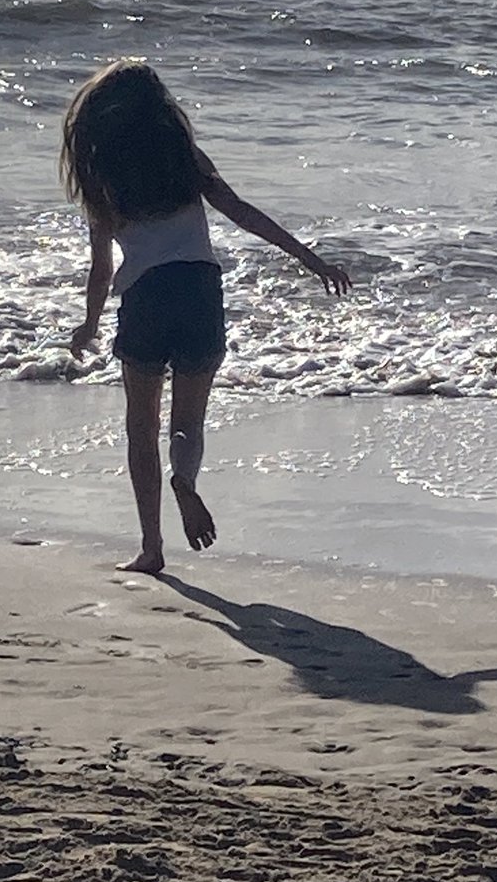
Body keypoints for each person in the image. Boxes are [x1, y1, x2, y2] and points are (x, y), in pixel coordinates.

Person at [61, 59, 351, 574]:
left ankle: (151, 549)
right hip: (198, 290)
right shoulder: (181, 157)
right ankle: (185, 481)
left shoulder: (101, 173)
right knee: (188, 423)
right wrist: (311, 259)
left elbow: (102, 268)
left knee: (140, 427)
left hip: (145, 298)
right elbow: (241, 212)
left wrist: (88, 326)